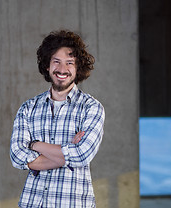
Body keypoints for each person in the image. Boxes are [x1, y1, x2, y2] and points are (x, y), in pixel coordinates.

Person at [10, 30, 105, 208]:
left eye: (70, 63)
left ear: (78, 68)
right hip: (33, 203)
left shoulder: (91, 108)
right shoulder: (28, 108)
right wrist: (68, 153)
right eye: (56, 62)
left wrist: (34, 145)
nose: (62, 69)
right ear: (47, 65)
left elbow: (82, 155)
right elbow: (17, 157)